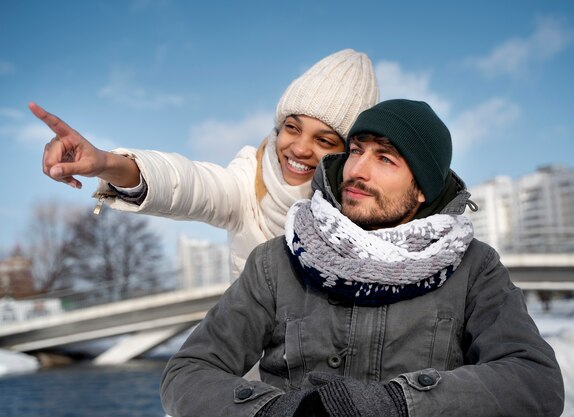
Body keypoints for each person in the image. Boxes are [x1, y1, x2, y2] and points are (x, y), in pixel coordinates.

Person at [160, 99, 565, 417]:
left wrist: (400, 403)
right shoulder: (277, 261)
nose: (357, 171)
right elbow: (188, 374)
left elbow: (535, 382)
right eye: (356, 151)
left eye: (385, 159)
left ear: (422, 188)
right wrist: (272, 410)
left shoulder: (473, 267)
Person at [31, 49, 379, 280]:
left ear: (349, 154)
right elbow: (189, 184)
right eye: (292, 128)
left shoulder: (367, 211)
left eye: (324, 140)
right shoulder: (248, 183)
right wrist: (107, 163)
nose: (300, 148)